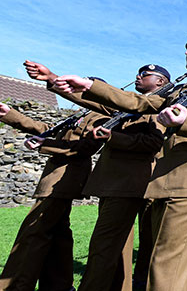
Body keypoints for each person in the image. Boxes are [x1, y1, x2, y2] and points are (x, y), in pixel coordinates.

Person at [54, 34, 187, 291]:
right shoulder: (180, 90)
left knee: (165, 267)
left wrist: (185, 121)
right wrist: (89, 85)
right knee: (172, 267)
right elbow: (138, 102)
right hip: (165, 182)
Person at [26, 60, 168, 291]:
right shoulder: (128, 104)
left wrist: (113, 137)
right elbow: (94, 99)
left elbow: (152, 143)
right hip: (114, 184)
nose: (138, 76)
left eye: (145, 74)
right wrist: (52, 77)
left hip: (131, 184)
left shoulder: (160, 107)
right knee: (115, 248)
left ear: (160, 81)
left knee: (108, 247)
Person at [0, 100, 103, 291]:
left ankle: (14, 286)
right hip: (55, 176)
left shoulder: (101, 117)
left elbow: (86, 147)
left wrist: (46, 144)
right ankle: (59, 285)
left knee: (34, 231)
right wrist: (9, 114)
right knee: (58, 233)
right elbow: (50, 129)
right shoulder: (82, 113)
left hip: (66, 179)